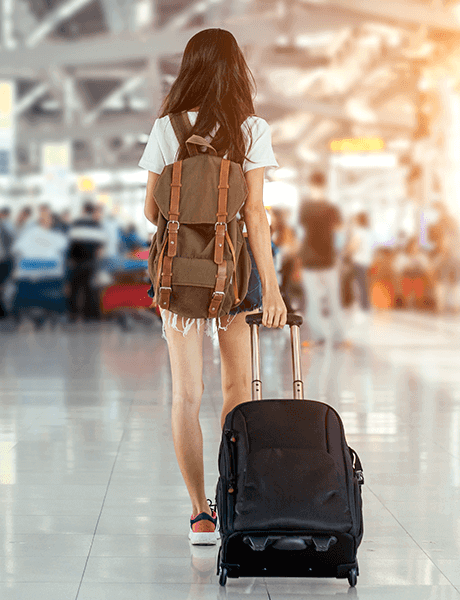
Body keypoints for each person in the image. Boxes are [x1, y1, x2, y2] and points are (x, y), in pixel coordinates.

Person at [138, 28, 286, 545]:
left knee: (186, 395)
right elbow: (256, 215)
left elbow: (150, 211)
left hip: (178, 278)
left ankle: (201, 513)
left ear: (189, 68)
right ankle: (232, 494)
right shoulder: (250, 129)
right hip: (234, 277)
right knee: (237, 391)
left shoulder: (167, 127)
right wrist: (272, 288)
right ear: (237, 69)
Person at [298, 172, 346, 346]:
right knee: (334, 299)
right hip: (328, 259)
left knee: (313, 300)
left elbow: (301, 233)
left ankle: (318, 336)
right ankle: (339, 337)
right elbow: (340, 233)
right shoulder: (331, 208)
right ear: (324, 186)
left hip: (309, 259)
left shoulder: (305, 208)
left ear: (311, 185)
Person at [67, 202, 108, 322]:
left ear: (83, 210)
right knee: (89, 289)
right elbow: (100, 247)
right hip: (91, 262)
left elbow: (70, 243)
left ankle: (73, 314)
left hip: (76, 261)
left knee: (75, 289)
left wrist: (70, 259)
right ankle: (89, 315)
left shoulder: (76, 223)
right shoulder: (97, 225)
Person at [346, 212, 373, 315]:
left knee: (358, 284)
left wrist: (346, 250)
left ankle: (362, 306)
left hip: (358, 261)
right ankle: (365, 305)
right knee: (364, 284)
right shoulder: (367, 232)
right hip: (366, 261)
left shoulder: (358, 232)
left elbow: (353, 247)